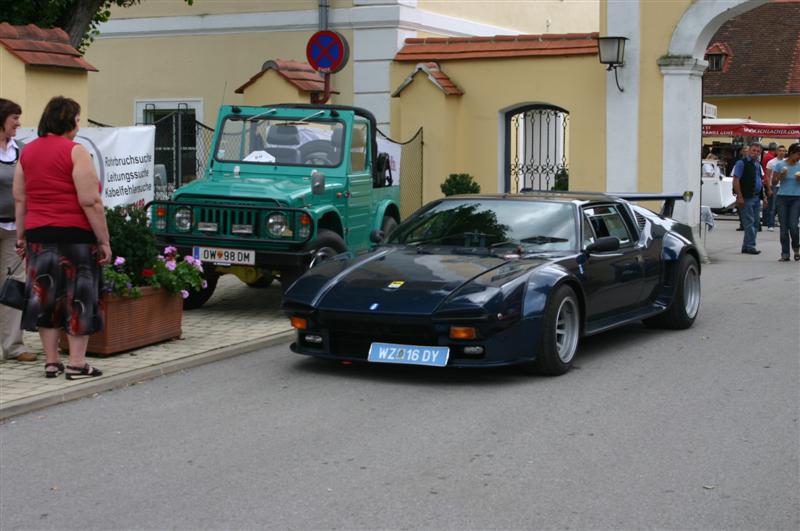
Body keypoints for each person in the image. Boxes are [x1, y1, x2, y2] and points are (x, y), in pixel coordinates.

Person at [12, 96, 111, 378]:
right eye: (77, 120)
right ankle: (78, 364)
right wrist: (103, 240)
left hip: (38, 235)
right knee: (80, 297)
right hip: (75, 236)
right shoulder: (75, 152)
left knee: (46, 296)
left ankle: (52, 361)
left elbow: (20, 199)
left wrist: (22, 237)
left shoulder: (27, 153)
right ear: (68, 121)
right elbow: (90, 200)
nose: (78, 126)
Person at [0, 99, 37, 362]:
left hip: (14, 228)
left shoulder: (21, 151)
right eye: (14, 117)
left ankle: (13, 345)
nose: (19, 123)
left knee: (13, 285)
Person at [732, 142, 764, 254]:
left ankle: (746, 246)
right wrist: (739, 196)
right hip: (746, 197)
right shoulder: (742, 163)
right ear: (749, 151)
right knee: (749, 222)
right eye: (753, 151)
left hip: (756, 197)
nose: (756, 153)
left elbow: (760, 180)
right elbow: (736, 180)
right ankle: (750, 246)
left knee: (755, 223)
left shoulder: (757, 164)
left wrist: (763, 196)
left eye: (758, 151)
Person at [771, 143, 800, 262]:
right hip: (782, 197)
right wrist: (781, 176)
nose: (799, 157)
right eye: (798, 154)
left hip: (797, 198)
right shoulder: (780, 165)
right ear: (792, 153)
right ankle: (785, 253)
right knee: (783, 228)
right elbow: (773, 182)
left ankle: (796, 248)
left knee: (793, 226)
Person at [764, 145, 786, 231]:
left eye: (783, 151)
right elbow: (767, 176)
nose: (782, 152)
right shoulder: (771, 162)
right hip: (774, 186)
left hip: (784, 186)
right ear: (776, 152)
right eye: (780, 150)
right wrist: (769, 188)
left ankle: (783, 224)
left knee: (783, 207)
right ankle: (770, 224)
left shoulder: (787, 162)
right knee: (772, 206)